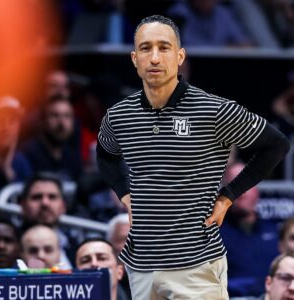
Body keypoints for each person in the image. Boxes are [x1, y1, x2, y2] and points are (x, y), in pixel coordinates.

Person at [96, 15, 290, 299]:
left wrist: (228, 196)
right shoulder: (119, 115)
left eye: (164, 48)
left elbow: (276, 145)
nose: (154, 58)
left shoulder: (214, 110)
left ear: (180, 56)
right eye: (146, 48)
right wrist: (124, 194)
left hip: (196, 263)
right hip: (142, 264)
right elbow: (105, 154)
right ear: (134, 58)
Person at [220, 162, 280, 296]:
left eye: (249, 184)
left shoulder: (276, 231)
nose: (243, 193)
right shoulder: (214, 235)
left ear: (257, 189)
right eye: (235, 185)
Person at [19, 172, 81, 266]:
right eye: (37, 197)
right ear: (22, 205)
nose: (45, 203)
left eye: (52, 197)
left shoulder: (74, 245)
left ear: (63, 206)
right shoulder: (10, 244)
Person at [22, 94, 82, 181]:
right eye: (55, 115)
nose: (61, 123)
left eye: (67, 116)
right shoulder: (27, 154)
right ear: (42, 121)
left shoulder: (72, 156)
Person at [167, 0, 252, 47]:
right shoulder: (178, 13)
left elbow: (245, 44)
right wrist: (225, 47)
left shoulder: (223, 13)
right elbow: (188, 46)